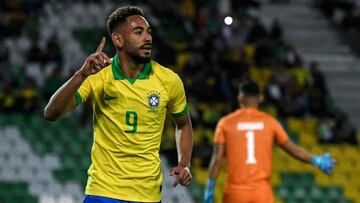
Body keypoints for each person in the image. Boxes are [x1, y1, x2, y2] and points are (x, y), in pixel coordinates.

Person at [44, 6, 193, 203]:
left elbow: (183, 124)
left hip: (147, 195)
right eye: (138, 32)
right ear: (118, 40)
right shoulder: (97, 75)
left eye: (148, 32)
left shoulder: (169, 80)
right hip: (103, 191)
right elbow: (51, 113)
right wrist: (80, 75)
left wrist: (184, 163)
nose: (147, 38)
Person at [203, 80, 335, 203]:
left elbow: (217, 160)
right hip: (262, 193)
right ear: (260, 98)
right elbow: (294, 151)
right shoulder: (270, 123)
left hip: (236, 192)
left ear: (240, 98)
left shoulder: (225, 123)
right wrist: (316, 161)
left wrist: (209, 191)